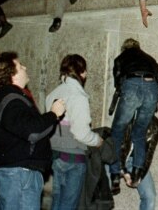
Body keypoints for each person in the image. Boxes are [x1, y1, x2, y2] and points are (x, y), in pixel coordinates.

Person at [0, 52, 66, 210]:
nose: (25, 67)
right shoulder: (11, 99)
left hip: (20, 173)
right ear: (12, 74)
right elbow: (32, 131)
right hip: (18, 175)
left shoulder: (12, 98)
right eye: (20, 65)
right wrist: (53, 114)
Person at [46, 54, 103, 210]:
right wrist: (97, 140)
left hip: (56, 155)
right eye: (85, 71)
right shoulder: (78, 96)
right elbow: (81, 133)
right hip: (73, 157)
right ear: (81, 72)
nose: (87, 75)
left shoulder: (53, 93)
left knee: (57, 201)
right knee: (69, 205)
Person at [109, 38, 158, 192]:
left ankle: (114, 175)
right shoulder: (149, 58)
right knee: (139, 132)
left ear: (123, 48)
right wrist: (153, 101)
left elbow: (118, 83)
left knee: (117, 132)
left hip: (131, 84)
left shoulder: (120, 58)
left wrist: (129, 97)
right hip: (151, 89)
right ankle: (136, 171)